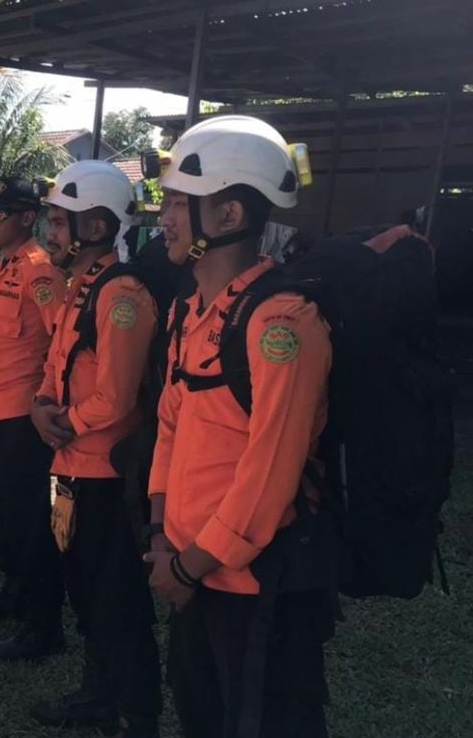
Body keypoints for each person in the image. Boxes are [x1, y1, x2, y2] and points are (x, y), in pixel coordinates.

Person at [142, 116, 334, 738]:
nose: (163, 217)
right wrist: (161, 534)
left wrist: (189, 566)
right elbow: (169, 427)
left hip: (257, 586)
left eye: (178, 203)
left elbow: (270, 474)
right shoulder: (189, 309)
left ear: (228, 217)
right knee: (201, 713)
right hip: (191, 569)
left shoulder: (282, 323)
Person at [28, 162, 163, 737]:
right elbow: (55, 369)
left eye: (60, 222)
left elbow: (116, 397)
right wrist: (40, 409)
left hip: (104, 475)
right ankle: (98, 692)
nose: (50, 234)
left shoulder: (121, 295)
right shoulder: (77, 289)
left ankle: (138, 713)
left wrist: (64, 424)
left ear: (98, 227)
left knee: (117, 599)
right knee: (83, 588)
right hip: (68, 470)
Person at [0, 176, 67, 661]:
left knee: (29, 523)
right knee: (1, 515)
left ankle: (44, 625)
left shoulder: (40, 272)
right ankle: (14, 594)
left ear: (28, 217)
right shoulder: (5, 265)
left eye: (0, 212)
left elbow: (61, 345)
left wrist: (44, 402)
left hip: (19, 421)